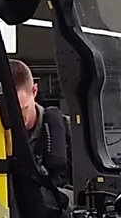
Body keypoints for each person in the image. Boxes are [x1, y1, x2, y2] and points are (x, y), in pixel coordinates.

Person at [9, 58, 73, 188]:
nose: (16, 118)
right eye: (9, 110)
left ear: (34, 91)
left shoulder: (68, 131)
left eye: (22, 109)